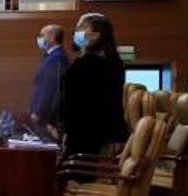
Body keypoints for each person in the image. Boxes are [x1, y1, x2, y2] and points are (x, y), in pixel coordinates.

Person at [62, 13, 128, 157]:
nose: (76, 32)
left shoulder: (91, 64)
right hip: (90, 133)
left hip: (90, 136)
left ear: (95, 35)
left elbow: (81, 104)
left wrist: (66, 130)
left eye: (81, 28)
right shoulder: (110, 61)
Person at [30, 24, 68, 128]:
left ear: (52, 38)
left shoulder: (56, 58)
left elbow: (49, 88)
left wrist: (38, 111)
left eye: (42, 35)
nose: (39, 39)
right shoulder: (51, 56)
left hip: (46, 115)